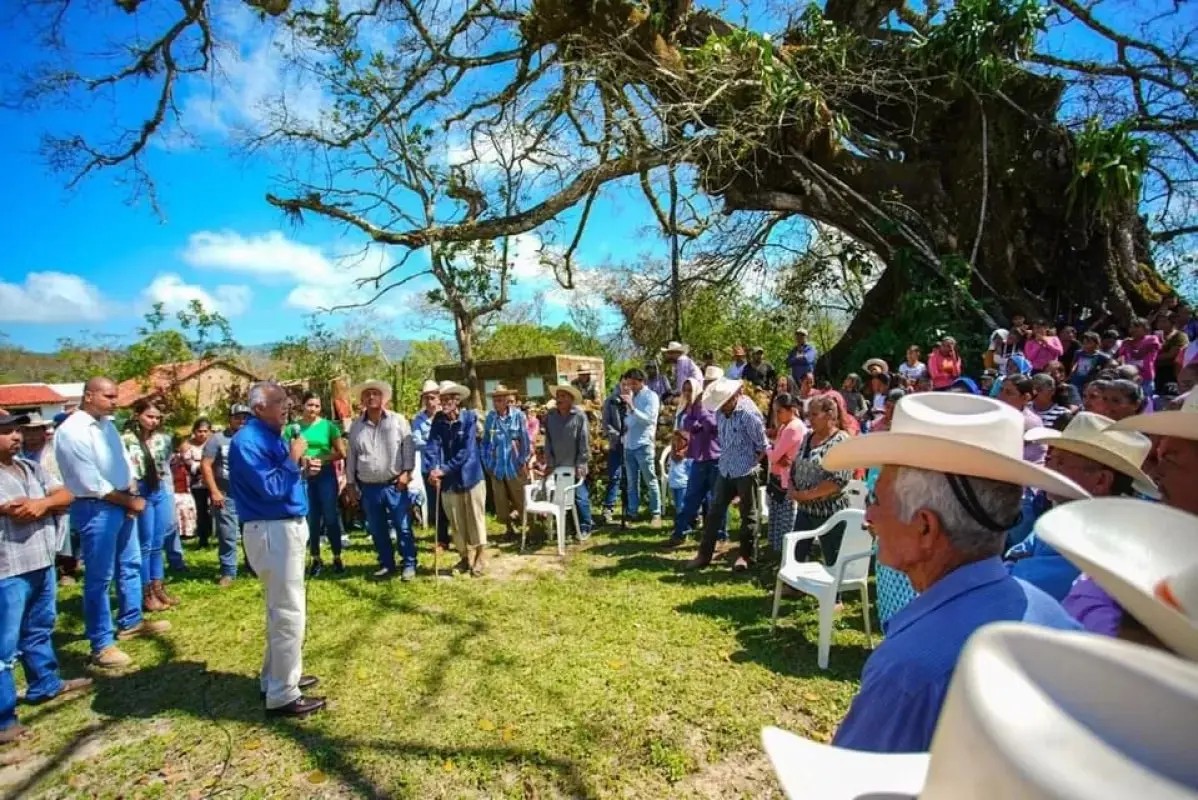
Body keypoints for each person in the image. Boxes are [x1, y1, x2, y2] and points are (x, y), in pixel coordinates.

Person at [822, 392, 1088, 752]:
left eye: (876, 501)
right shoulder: (1052, 615)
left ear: (926, 529)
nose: (868, 517)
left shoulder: (909, 672)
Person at [55, 377, 170, 668]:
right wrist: (128, 501)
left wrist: (131, 492)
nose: (114, 401)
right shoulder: (73, 431)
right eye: (108, 396)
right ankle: (101, 643)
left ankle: (131, 620)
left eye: (116, 396)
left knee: (130, 564)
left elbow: (123, 463)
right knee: (99, 577)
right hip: (97, 508)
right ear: (89, 396)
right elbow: (88, 480)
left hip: (122, 502)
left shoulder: (107, 426)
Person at [229, 382, 324, 718]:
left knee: (279, 609)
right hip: (272, 529)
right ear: (258, 408)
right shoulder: (248, 441)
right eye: (279, 401)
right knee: (288, 612)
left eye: (286, 400)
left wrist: (301, 469)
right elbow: (269, 487)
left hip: (283, 527)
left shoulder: (271, 435)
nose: (287, 406)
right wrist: (295, 457)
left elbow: (281, 477)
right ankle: (283, 695)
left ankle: (277, 678)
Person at [0, 412, 94, 746]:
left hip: (40, 561)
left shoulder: (30, 467)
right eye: (7, 432)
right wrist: (40, 505)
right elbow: (15, 510)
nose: (15, 436)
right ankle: (4, 718)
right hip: (6, 570)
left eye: (16, 431)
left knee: (39, 627)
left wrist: (43, 502)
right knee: (3, 646)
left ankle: (45, 683)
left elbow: (64, 495)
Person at [1003, 412, 1155, 601]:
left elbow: (1013, 583)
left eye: (1060, 461)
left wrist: (1013, 564)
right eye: (1050, 458)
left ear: (1101, 480)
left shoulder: (1098, 542)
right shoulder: (1067, 519)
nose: (1048, 466)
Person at [685, 378, 767, 572]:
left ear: (733, 398)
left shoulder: (749, 414)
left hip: (746, 470)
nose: (720, 408)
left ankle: (746, 557)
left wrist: (751, 467)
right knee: (714, 512)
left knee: (749, 515)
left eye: (724, 404)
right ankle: (704, 555)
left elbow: (762, 446)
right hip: (725, 467)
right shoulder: (720, 413)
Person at [345, 379, 417, 581]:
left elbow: (408, 448)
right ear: (362, 400)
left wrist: (407, 472)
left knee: (402, 526)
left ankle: (409, 563)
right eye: (367, 394)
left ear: (383, 398)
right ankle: (387, 564)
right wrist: (350, 483)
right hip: (368, 487)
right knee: (377, 529)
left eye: (375, 393)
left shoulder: (398, 420)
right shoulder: (356, 427)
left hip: (395, 484)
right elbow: (351, 456)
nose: (371, 397)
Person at [122, 399, 180, 613]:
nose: (154, 421)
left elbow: (165, 465)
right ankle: (145, 593)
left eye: (157, 418)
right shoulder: (126, 440)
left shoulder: (164, 439)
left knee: (158, 541)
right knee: (145, 544)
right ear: (138, 415)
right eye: (149, 416)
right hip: (140, 489)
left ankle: (158, 586)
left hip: (160, 489)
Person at [425, 382, 488, 576]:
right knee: (456, 520)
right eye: (441, 399)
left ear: (457, 400)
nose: (444, 403)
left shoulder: (470, 418)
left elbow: (466, 452)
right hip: (449, 480)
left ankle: (480, 557)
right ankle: (463, 557)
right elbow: (432, 446)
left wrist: (442, 470)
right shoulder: (438, 420)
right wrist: (432, 469)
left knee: (475, 518)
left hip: (471, 476)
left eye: (448, 399)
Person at [788, 394, 854, 565]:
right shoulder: (808, 436)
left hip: (830, 511)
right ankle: (793, 587)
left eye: (814, 415)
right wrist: (792, 488)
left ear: (830, 415)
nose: (810, 419)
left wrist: (806, 495)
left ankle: (834, 591)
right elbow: (796, 464)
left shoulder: (841, 441)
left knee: (833, 559)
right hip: (805, 509)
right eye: (808, 414)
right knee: (797, 554)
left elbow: (837, 480)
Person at [287, 392, 346, 577]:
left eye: (317, 406)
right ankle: (315, 558)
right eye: (309, 405)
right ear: (302, 406)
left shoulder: (329, 427)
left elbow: (341, 452)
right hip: (303, 475)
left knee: (330, 516)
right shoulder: (292, 428)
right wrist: (301, 459)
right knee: (311, 518)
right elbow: (286, 451)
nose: (313, 409)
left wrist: (321, 458)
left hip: (325, 474)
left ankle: (337, 556)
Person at [667, 377, 725, 547]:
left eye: (690, 390)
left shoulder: (710, 405)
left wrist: (701, 416)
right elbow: (687, 425)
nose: (687, 393)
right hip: (698, 458)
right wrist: (698, 422)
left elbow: (713, 426)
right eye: (685, 390)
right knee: (691, 498)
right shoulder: (689, 408)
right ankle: (680, 533)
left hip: (714, 458)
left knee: (717, 500)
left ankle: (720, 536)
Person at [203, 405, 251, 587]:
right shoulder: (217, 439)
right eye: (238, 417)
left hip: (248, 494)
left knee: (251, 531)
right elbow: (206, 465)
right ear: (229, 418)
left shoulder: (252, 438)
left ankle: (252, 564)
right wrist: (214, 491)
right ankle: (228, 571)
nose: (242, 421)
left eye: (245, 417)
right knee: (227, 534)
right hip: (226, 493)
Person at [480, 385, 530, 540]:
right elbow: (486, 442)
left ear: (508, 400)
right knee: (500, 501)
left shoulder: (518, 416)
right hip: (497, 466)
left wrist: (523, 460)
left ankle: (528, 529)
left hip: (514, 465)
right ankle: (509, 529)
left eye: (500, 400)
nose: (496, 403)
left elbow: (525, 440)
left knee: (520, 498)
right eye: (494, 400)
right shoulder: (490, 418)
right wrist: (487, 463)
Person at [543, 384, 593, 536]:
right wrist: (550, 462)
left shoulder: (579, 416)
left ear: (571, 399)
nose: (559, 399)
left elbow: (584, 441)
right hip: (558, 464)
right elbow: (548, 441)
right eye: (558, 396)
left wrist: (581, 463)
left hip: (576, 463)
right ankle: (568, 527)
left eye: (563, 396)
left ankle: (585, 527)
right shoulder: (551, 417)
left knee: (580, 496)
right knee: (562, 497)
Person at [620, 369, 663, 527]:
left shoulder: (650, 396)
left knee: (650, 479)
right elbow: (628, 421)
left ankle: (656, 512)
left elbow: (649, 420)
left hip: (644, 443)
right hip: (629, 444)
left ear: (641, 381)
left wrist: (632, 407)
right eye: (628, 383)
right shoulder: (632, 396)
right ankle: (632, 512)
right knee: (632, 482)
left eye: (633, 382)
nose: (630, 386)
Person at [765, 394, 807, 553]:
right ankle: (777, 549)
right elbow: (777, 454)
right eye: (775, 411)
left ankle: (784, 551)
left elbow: (775, 456)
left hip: (787, 478)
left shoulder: (793, 427)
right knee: (776, 514)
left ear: (792, 410)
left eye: (780, 411)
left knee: (785, 518)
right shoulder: (785, 425)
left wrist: (768, 447)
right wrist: (774, 450)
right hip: (779, 476)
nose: (777, 415)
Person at [411, 380, 449, 551]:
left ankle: (458, 535)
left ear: (439, 398)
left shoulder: (446, 415)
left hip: (447, 465)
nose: (429, 401)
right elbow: (415, 440)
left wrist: (433, 441)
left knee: (451, 502)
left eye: (432, 397)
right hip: (428, 466)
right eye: (426, 398)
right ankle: (441, 540)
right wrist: (434, 442)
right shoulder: (418, 419)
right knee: (435, 504)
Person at [997, 374, 1046, 464]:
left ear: (1025, 398)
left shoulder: (1030, 422)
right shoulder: (996, 415)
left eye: (1009, 393)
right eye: (1001, 390)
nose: (1001, 396)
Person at [183, 419, 213, 547]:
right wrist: (202, 466)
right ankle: (203, 538)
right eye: (199, 431)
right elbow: (187, 463)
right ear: (194, 431)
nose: (202, 434)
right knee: (201, 511)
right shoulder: (187, 445)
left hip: (214, 483)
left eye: (205, 431)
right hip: (197, 484)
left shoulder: (213, 444)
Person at [599, 383, 625, 526]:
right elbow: (606, 423)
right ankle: (608, 508)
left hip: (633, 444)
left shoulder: (636, 399)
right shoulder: (610, 401)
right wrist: (618, 436)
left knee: (632, 478)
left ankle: (630, 510)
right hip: (616, 444)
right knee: (615, 476)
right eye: (624, 383)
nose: (626, 386)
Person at [1116, 318, 1162, 396]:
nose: (1133, 329)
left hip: (1146, 377)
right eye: (1131, 327)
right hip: (1129, 377)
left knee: (1145, 400)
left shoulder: (1152, 339)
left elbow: (1139, 355)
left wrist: (1129, 345)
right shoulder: (1125, 342)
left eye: (1136, 326)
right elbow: (1120, 357)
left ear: (1145, 328)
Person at [170, 437, 197, 542]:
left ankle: (188, 532)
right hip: (176, 490)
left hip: (186, 490)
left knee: (187, 511)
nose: (187, 449)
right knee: (178, 512)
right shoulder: (173, 459)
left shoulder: (188, 460)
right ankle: (179, 532)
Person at [665, 431, 692, 516]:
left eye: (679, 440)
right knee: (677, 506)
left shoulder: (688, 457)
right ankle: (679, 523)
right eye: (674, 441)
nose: (676, 443)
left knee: (682, 506)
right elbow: (669, 466)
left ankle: (685, 525)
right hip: (674, 484)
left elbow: (691, 472)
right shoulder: (672, 455)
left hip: (684, 485)